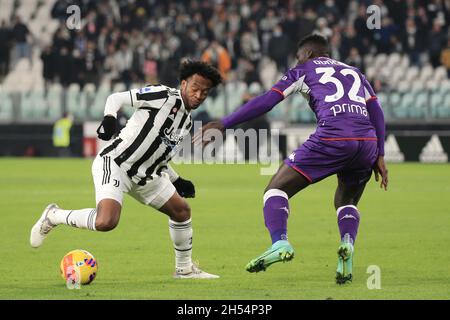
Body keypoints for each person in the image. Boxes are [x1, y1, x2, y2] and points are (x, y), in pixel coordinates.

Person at [195, 35, 388, 284]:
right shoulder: (354, 72)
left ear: (306, 54)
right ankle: (347, 246)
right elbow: (376, 110)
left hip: (333, 137)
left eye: (298, 57)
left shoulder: (303, 70)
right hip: (367, 142)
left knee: (275, 190)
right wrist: (380, 154)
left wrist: (224, 123)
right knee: (347, 199)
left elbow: (268, 100)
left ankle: (280, 242)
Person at [31, 60, 223, 279]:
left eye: (204, 92)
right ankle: (54, 215)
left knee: (182, 212)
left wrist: (177, 179)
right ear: (183, 84)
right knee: (106, 222)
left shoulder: (186, 122)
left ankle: (184, 269)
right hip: (117, 164)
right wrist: (110, 118)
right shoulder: (163, 96)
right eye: (195, 88)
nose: (198, 95)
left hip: (147, 176)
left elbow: (157, 156)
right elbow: (116, 98)